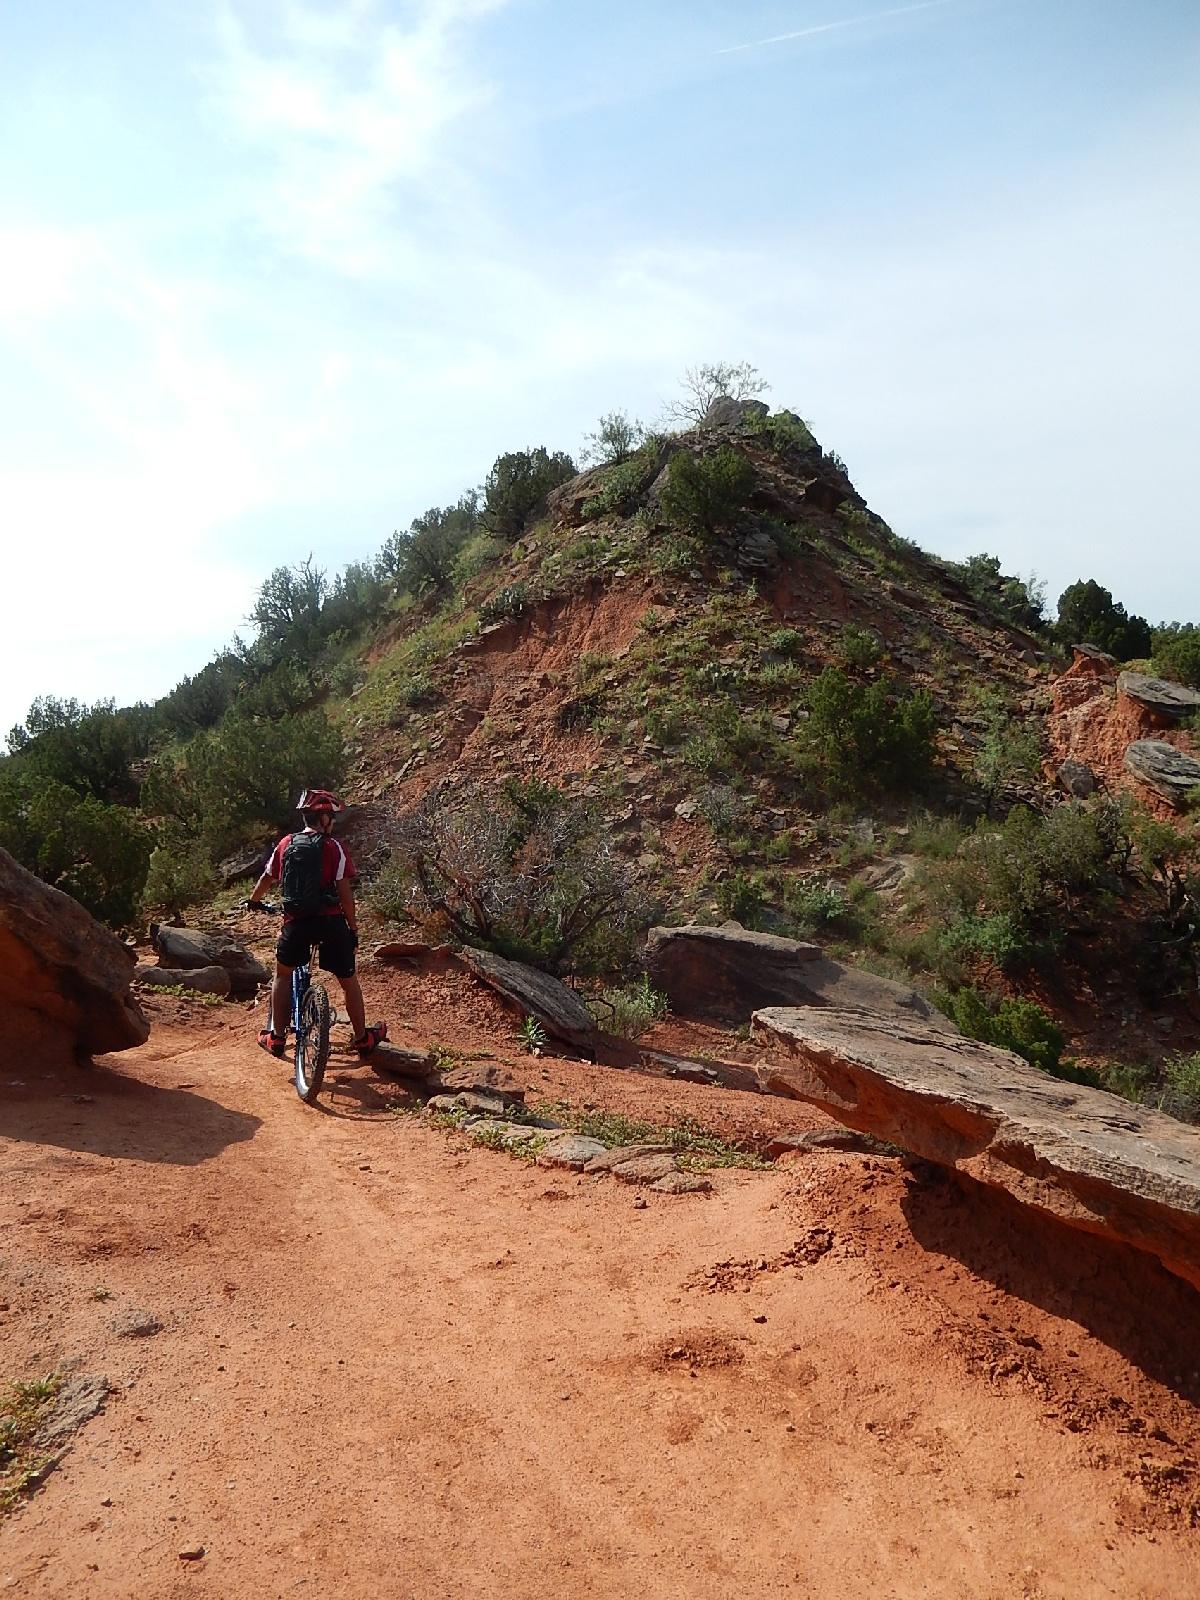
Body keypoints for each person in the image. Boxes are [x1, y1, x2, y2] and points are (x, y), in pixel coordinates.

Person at [247, 789, 387, 1060]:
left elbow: (267, 878)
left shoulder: (286, 843)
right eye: (331, 817)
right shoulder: (334, 847)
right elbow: (345, 892)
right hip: (331, 923)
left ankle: (276, 1038)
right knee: (349, 982)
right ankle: (362, 1039)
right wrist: (353, 928)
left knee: (283, 976)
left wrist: (254, 901)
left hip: (296, 922)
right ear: (323, 819)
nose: (333, 822)